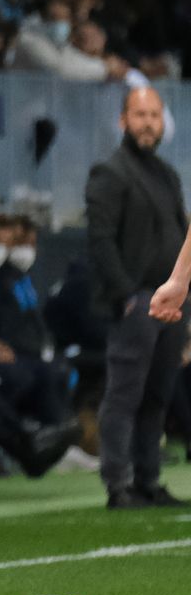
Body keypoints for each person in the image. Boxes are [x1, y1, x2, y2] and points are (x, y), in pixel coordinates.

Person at [87, 87, 188, 509]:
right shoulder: (110, 172)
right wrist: (127, 296)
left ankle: (148, 479)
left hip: (171, 303)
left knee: (158, 394)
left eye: (154, 115)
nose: (148, 122)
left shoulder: (166, 173)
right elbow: (101, 240)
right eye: (140, 114)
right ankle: (118, 482)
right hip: (137, 302)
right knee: (125, 394)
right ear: (122, 121)